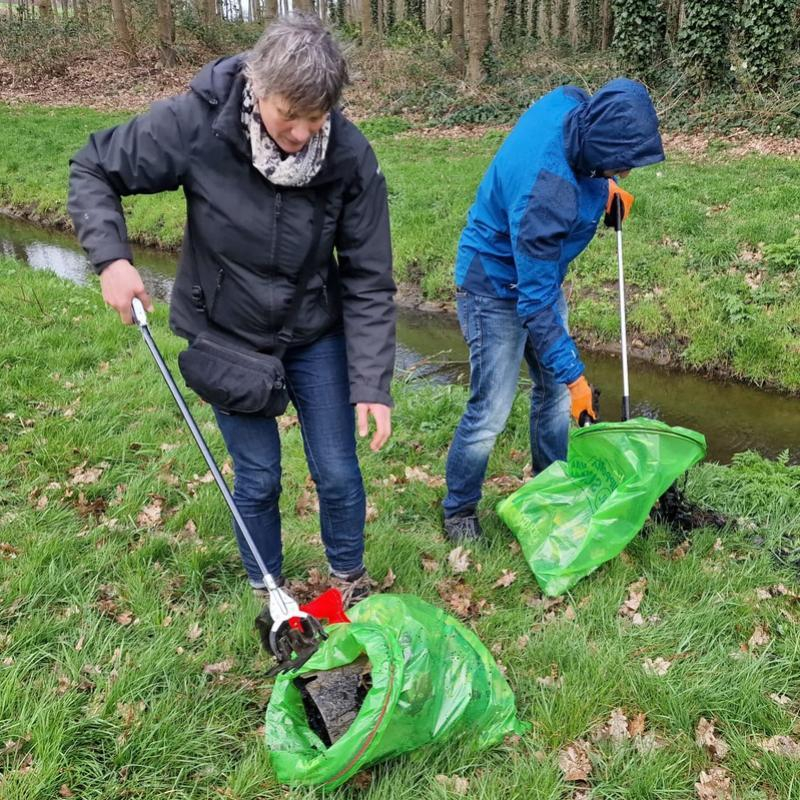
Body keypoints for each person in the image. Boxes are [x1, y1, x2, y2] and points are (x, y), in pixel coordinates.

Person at [67, 13, 395, 604]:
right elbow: (94, 167)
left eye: (314, 118)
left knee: (340, 472)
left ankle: (350, 580)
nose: (299, 133)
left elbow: (369, 277)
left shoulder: (348, 156)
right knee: (260, 476)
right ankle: (268, 589)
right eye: (286, 116)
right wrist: (111, 258)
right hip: (227, 334)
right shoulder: (198, 123)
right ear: (257, 87)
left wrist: (371, 380)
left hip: (314, 330)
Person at [442, 78, 665, 541]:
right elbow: (536, 302)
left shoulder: (569, 104)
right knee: (491, 410)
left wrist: (607, 190)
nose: (625, 170)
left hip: (535, 274)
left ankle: (549, 489)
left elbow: (591, 157)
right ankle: (459, 510)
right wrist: (578, 379)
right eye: (620, 163)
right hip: (493, 287)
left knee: (554, 395)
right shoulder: (547, 194)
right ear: (598, 142)